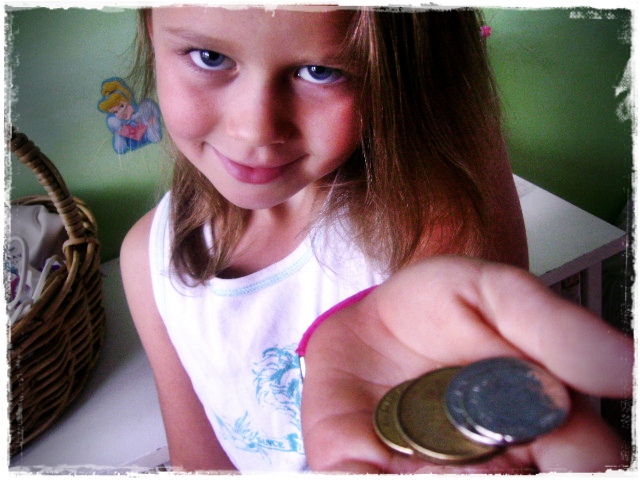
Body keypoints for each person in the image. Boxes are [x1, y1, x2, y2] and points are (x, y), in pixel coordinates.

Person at [120, 5, 632, 474]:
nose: (254, 130)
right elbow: (198, 462)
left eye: (320, 71)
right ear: (151, 32)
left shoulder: (427, 233)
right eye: (209, 57)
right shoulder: (148, 258)